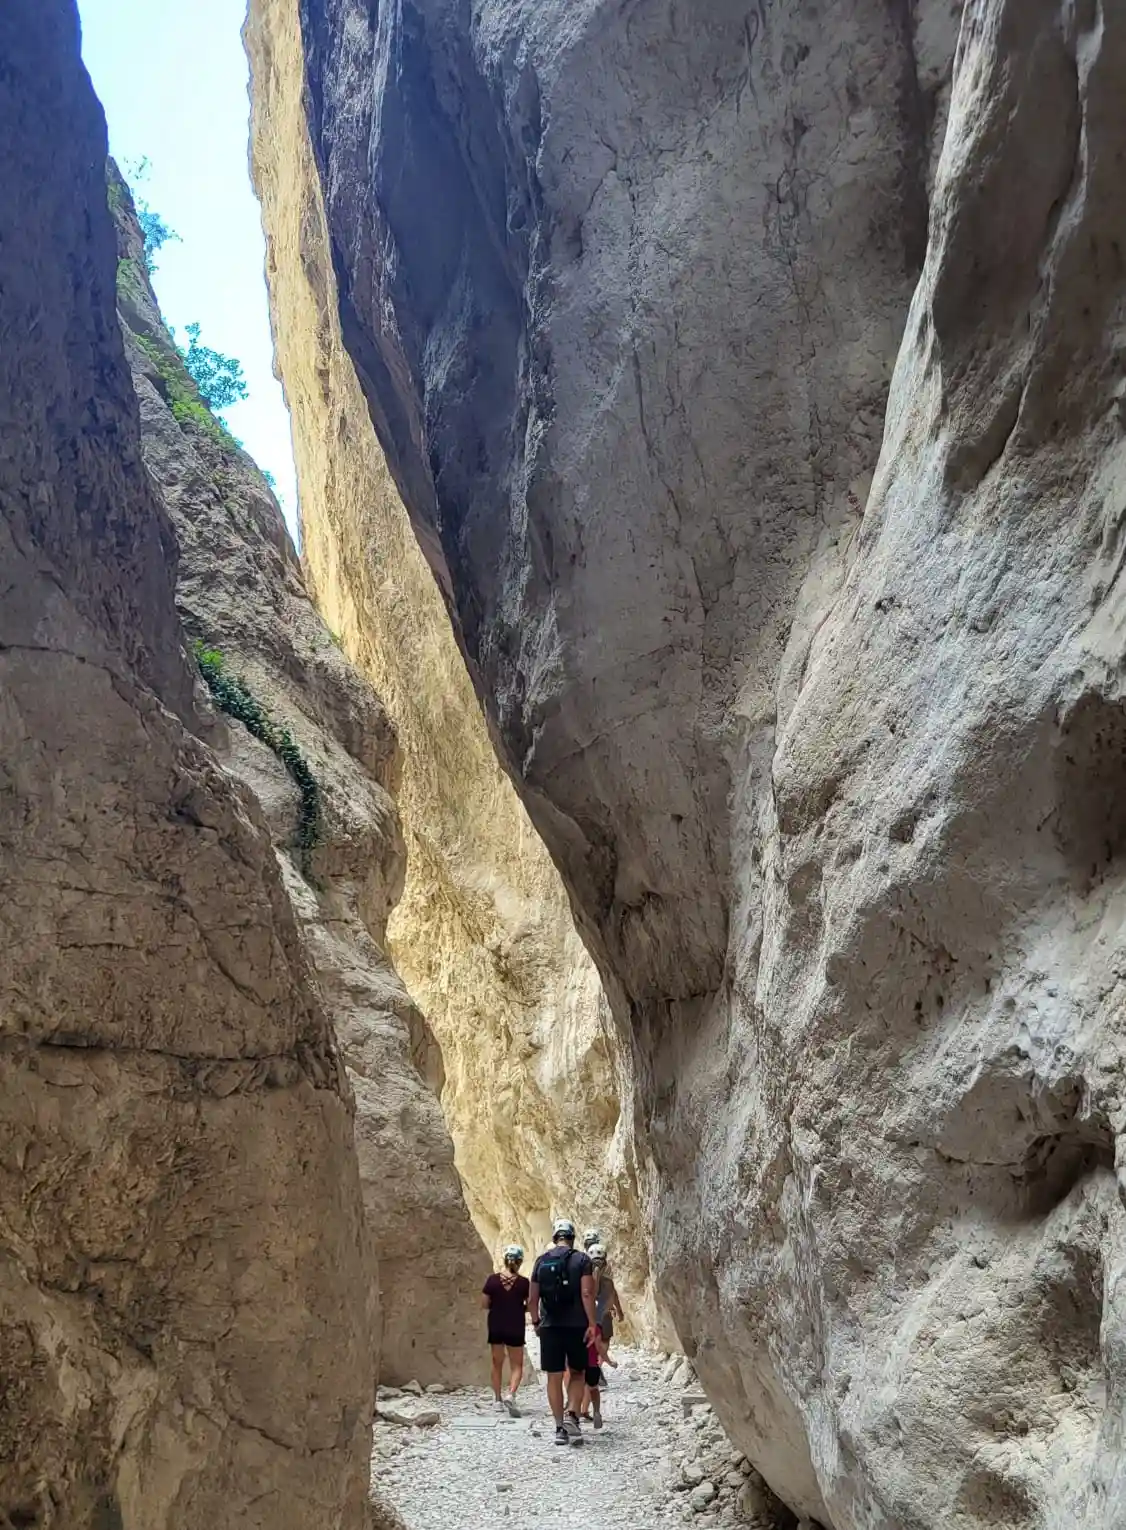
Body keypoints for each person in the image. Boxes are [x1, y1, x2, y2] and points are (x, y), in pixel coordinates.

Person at [529, 1218, 597, 1445]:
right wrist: (591, 1323)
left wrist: (537, 1322)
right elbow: (587, 1294)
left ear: (554, 1237)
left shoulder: (540, 1261)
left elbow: (532, 1299)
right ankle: (572, 1414)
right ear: (572, 1237)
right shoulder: (582, 1260)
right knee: (577, 1372)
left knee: (554, 1377)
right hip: (576, 1326)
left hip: (550, 1326)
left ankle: (559, 1428)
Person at [481, 1244, 530, 1415]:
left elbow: (484, 1304)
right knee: (517, 1365)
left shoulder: (492, 1280)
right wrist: (518, 1308)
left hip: (496, 1324)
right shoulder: (524, 1283)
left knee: (497, 1363)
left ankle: (497, 1400)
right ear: (520, 1261)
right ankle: (511, 1394)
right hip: (515, 1325)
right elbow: (530, 1305)